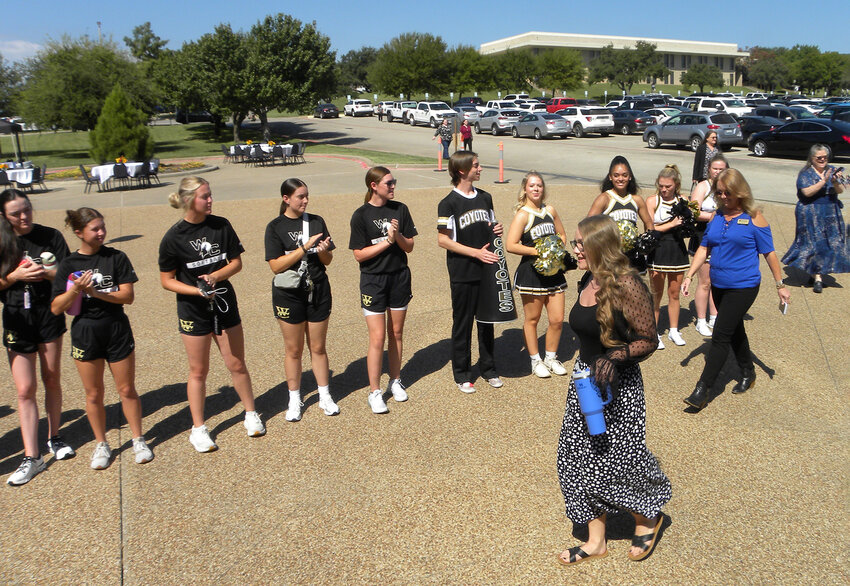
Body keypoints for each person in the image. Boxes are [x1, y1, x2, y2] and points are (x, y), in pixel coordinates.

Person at [557, 215, 671, 565]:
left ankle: (647, 515)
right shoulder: (586, 280)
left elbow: (649, 339)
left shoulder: (628, 284)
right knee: (575, 458)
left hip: (618, 386)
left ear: (597, 246)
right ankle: (596, 541)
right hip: (584, 383)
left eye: (579, 243)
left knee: (623, 459)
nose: (574, 249)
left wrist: (616, 356)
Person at [158, 177, 265, 452]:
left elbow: (237, 263)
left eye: (210, 195)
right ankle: (199, 429)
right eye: (204, 196)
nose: (210, 200)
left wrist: (215, 276)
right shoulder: (173, 237)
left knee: (237, 363)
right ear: (188, 200)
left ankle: (251, 413)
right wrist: (196, 290)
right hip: (193, 309)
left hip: (224, 301)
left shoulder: (221, 225)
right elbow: (166, 280)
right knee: (198, 371)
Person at [50, 208, 152, 470]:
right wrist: (75, 291)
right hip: (85, 332)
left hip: (116, 328)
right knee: (93, 393)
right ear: (79, 233)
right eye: (95, 229)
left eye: (102, 227)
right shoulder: (68, 264)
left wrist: (95, 292)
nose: (101, 232)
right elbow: (56, 307)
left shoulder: (116, 258)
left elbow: (127, 296)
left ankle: (138, 439)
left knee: (127, 389)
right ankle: (101, 443)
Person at [682, 169, 791, 410]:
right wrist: (689, 274)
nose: (723, 197)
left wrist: (779, 284)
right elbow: (704, 247)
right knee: (735, 330)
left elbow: (769, 253)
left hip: (744, 286)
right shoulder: (718, 216)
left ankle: (702, 389)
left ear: (740, 191)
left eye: (727, 192)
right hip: (719, 285)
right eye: (719, 192)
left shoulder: (754, 217)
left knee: (720, 334)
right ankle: (747, 372)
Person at [0, 190, 73, 485]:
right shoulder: (3, 242)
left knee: (52, 378)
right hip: (17, 319)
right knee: (25, 389)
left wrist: (47, 272)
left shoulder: (50, 236)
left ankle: (54, 436)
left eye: (27, 210)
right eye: (16, 213)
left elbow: (71, 276)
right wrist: (13, 278)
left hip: (48, 314)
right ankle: (32, 457)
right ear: (4, 216)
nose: (24, 217)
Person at [265, 178, 337, 421]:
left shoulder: (317, 221)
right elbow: (276, 266)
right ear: (286, 199)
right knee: (293, 350)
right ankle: (294, 398)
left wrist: (324, 250)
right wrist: (304, 248)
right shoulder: (275, 227)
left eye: (307, 196)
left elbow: (327, 261)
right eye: (300, 197)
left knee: (318, 347)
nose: (305, 200)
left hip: (317, 290)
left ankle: (325, 395)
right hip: (288, 294)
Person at [349, 167, 417, 413]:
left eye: (393, 182)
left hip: (399, 278)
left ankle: (395, 381)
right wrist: (387, 241)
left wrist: (397, 236)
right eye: (389, 183)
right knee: (377, 338)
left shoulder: (400, 209)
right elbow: (359, 255)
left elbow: (409, 246)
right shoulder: (360, 215)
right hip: (373, 281)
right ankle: (374, 391)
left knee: (396, 333)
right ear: (373, 185)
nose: (393, 186)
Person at [437, 151, 504, 393]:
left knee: (487, 321)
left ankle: (488, 368)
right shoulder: (448, 203)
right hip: (463, 271)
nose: (480, 169)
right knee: (463, 323)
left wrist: (497, 229)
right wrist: (475, 253)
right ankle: (462, 373)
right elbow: (443, 240)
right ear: (462, 170)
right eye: (476, 165)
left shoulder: (486, 197)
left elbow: (491, 227)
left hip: (487, 269)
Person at [505, 172, 570, 378]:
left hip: (554, 273)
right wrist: (539, 252)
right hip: (531, 273)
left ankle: (551, 357)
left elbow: (562, 234)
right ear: (525, 189)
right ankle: (535, 360)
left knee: (557, 319)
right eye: (532, 185)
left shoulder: (550, 210)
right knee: (532, 319)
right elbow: (511, 245)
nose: (536, 189)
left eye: (539, 185)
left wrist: (556, 249)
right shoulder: (523, 214)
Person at [781, 144, 849, 293]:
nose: (823, 160)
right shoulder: (805, 173)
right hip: (810, 212)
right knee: (813, 244)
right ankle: (818, 278)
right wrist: (823, 181)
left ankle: (815, 273)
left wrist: (835, 182)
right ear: (812, 159)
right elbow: (807, 192)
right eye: (819, 158)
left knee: (829, 243)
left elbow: (840, 190)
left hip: (830, 211)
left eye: (825, 157)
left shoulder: (832, 170)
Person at [645, 165, 689, 349]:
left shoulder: (684, 200)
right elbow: (650, 228)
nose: (664, 190)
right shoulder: (652, 200)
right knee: (656, 295)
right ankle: (654, 333)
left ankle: (673, 330)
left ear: (676, 185)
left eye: (668, 186)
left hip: (677, 249)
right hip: (658, 249)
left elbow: (688, 225)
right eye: (661, 186)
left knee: (674, 294)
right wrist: (672, 223)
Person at [688, 154, 727, 336]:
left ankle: (715, 316)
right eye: (715, 168)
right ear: (709, 169)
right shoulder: (703, 186)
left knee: (717, 280)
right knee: (705, 281)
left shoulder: (728, 186)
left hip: (723, 236)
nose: (718, 171)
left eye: (721, 169)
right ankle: (701, 320)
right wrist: (713, 216)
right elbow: (693, 211)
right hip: (704, 234)